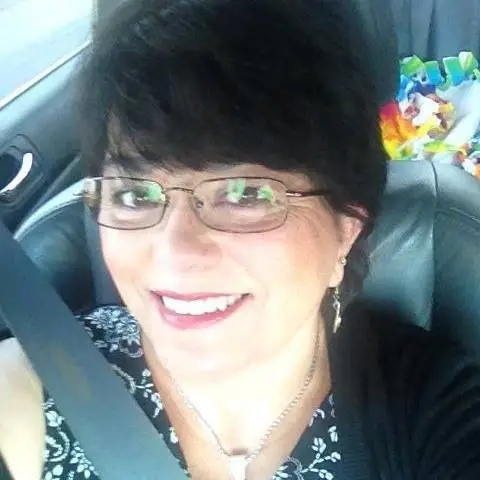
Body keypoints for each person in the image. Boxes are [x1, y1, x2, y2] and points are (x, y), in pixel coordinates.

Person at [1, 0, 480, 479]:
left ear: (346, 229)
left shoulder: (432, 409)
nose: (175, 254)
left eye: (245, 193)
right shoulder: (36, 384)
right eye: (135, 195)